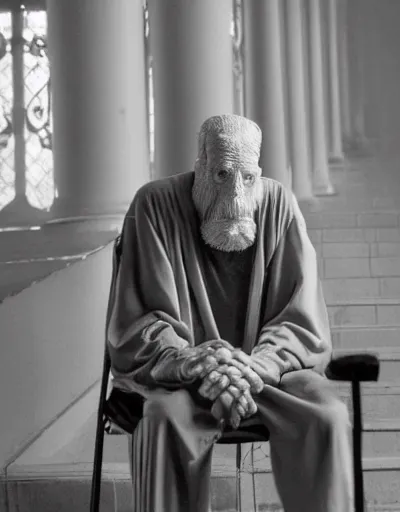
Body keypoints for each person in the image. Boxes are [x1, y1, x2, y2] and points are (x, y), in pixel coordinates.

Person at [106, 114, 354, 511]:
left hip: (271, 376)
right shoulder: (153, 205)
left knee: (328, 416)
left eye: (248, 178)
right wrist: (193, 361)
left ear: (259, 172)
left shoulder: (280, 205)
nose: (238, 195)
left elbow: (300, 319)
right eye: (223, 174)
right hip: (181, 379)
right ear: (200, 168)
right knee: (159, 420)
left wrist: (256, 366)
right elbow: (142, 319)